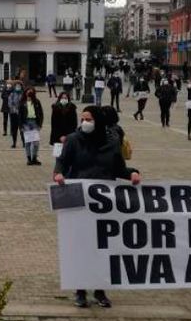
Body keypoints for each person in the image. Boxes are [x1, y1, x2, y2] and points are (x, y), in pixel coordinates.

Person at [53, 105, 141, 309]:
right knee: (80, 247)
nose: (85, 123)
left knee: (102, 248)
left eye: (89, 119)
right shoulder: (74, 140)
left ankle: (100, 290)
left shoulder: (111, 143)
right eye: (83, 119)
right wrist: (58, 174)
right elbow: (62, 162)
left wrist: (132, 174)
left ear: (98, 122)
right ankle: (80, 290)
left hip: (104, 204)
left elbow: (119, 168)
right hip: (79, 200)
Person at [19, 86, 45, 166]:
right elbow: (19, 115)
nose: (29, 94)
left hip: (34, 122)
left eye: (31, 92)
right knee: (28, 142)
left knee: (36, 142)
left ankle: (34, 157)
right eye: (28, 92)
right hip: (26, 122)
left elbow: (41, 113)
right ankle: (29, 158)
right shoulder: (22, 102)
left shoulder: (37, 102)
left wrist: (40, 124)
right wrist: (21, 126)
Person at [4, 81, 24, 147]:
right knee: (14, 129)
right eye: (17, 86)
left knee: (22, 129)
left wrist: (21, 110)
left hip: (21, 115)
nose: (18, 87)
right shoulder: (12, 94)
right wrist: (15, 109)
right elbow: (10, 103)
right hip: (13, 114)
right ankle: (14, 143)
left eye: (19, 86)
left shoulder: (23, 94)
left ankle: (24, 143)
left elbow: (25, 103)